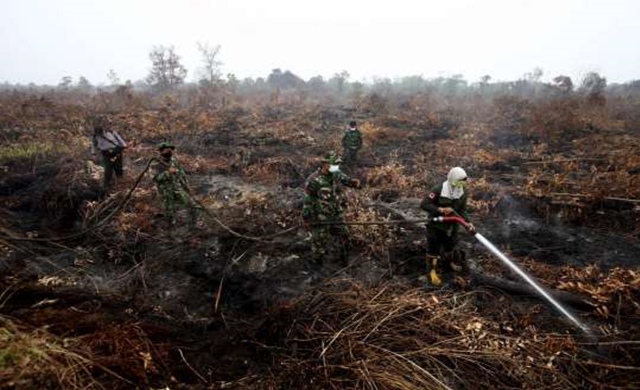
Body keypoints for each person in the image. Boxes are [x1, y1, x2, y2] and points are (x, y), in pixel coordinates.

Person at [420, 167, 476, 287]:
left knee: (450, 246)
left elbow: (462, 210)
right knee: (433, 249)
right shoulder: (439, 189)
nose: (461, 184)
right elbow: (424, 204)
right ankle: (431, 272)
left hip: (452, 227)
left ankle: (448, 265)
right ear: (451, 180)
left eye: (463, 182)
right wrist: (439, 209)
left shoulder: (463, 192)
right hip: (436, 226)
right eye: (458, 181)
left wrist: (468, 222)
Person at [302, 151, 361, 265]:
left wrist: (353, 183)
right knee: (319, 241)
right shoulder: (314, 180)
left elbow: (344, 179)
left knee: (344, 235)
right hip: (320, 215)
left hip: (335, 212)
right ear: (325, 164)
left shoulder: (335, 172)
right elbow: (308, 199)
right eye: (334, 164)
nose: (336, 167)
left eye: (337, 164)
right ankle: (317, 265)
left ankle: (343, 261)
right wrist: (306, 217)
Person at [152, 142, 198, 226]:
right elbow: (156, 179)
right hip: (165, 191)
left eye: (171, 149)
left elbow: (182, 175)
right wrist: (167, 173)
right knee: (169, 212)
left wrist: (187, 187)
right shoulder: (155, 163)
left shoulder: (174, 161)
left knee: (192, 205)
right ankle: (170, 230)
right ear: (161, 151)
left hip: (177, 188)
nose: (170, 151)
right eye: (167, 149)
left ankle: (192, 226)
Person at [91, 115, 127, 191]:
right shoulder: (95, 136)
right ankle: (106, 188)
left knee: (118, 169)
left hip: (116, 152)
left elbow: (121, 142)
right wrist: (93, 154)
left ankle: (121, 186)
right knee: (108, 171)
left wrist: (123, 147)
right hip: (106, 154)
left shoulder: (111, 132)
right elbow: (94, 145)